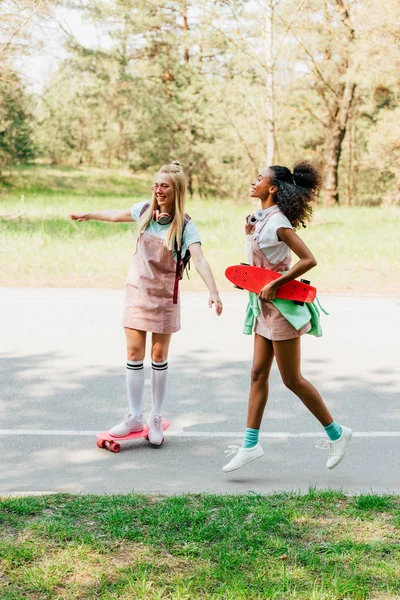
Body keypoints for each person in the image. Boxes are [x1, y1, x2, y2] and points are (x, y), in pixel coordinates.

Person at [71, 161, 223, 445]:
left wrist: (213, 291)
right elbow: (117, 215)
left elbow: (199, 259)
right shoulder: (143, 211)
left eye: (164, 186)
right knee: (133, 353)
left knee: (158, 357)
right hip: (137, 293)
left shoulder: (186, 226)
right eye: (156, 185)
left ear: (176, 190)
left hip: (165, 297)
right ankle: (134, 416)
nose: (158, 190)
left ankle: (155, 416)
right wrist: (88, 215)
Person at [222, 162, 351, 472]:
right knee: (257, 374)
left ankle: (337, 434)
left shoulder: (278, 223)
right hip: (263, 307)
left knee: (291, 379)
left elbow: (309, 260)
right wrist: (248, 279)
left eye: (259, 179)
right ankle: (250, 445)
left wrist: (273, 283)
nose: (254, 182)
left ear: (273, 188)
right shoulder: (258, 219)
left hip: (283, 309)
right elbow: (263, 263)